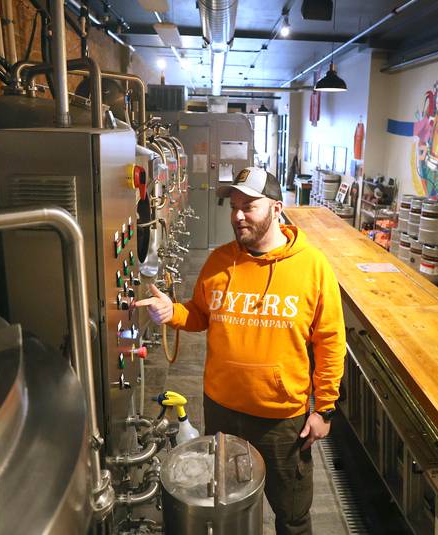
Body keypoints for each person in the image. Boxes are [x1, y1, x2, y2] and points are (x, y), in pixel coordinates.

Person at [135, 167, 345, 535]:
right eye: (233, 206)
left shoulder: (313, 267)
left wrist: (324, 409)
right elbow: (199, 315)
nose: (237, 215)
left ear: (277, 208)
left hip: (281, 420)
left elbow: (330, 343)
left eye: (249, 205)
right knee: (228, 510)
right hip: (222, 411)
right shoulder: (219, 262)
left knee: (293, 517)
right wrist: (173, 312)